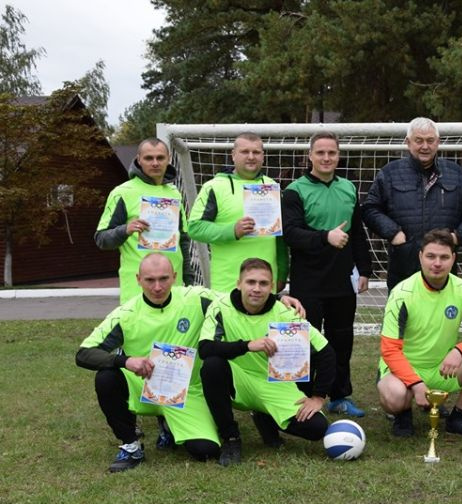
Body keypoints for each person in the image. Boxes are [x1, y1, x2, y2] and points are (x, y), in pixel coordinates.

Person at [75, 253, 219, 472]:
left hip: (186, 392)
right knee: (106, 377)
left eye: (164, 279)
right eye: (150, 280)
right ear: (138, 279)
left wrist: (272, 300)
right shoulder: (125, 314)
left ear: (175, 276)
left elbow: (236, 302)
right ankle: (131, 446)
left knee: (206, 451)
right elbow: (84, 354)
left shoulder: (196, 298)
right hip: (143, 387)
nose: (157, 287)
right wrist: (125, 361)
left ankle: (168, 426)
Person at [199, 258, 336, 466]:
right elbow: (205, 348)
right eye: (250, 282)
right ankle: (231, 437)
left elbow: (326, 352)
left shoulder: (285, 312)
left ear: (271, 287)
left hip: (274, 385)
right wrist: (247, 345)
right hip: (239, 380)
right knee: (212, 365)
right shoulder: (220, 307)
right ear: (239, 284)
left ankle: (264, 416)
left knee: (317, 428)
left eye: (263, 283)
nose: (256, 288)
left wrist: (318, 397)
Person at [377, 229, 462, 440]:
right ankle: (403, 415)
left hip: (443, 367)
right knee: (395, 396)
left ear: (453, 259)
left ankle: (459, 417)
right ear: (420, 257)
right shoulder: (402, 293)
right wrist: (415, 384)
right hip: (403, 369)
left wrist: (459, 351)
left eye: (444, 257)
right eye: (431, 256)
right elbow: (389, 350)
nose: (437, 263)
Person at [282, 131, 373, 418]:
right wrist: (325, 237)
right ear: (310, 155)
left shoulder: (348, 188)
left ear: (338, 156)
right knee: (306, 340)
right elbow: (291, 233)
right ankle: (303, 395)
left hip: (342, 279)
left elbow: (357, 233)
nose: (326, 157)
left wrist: (365, 269)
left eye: (331, 152)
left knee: (341, 340)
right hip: (308, 280)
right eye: (320, 152)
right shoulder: (294, 190)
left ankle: (339, 396)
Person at [363, 117, 462, 290]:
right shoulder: (390, 173)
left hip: (443, 271)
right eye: (419, 140)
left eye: (430, 140)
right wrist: (394, 233)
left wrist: (456, 237)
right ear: (408, 142)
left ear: (438, 142)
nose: (425, 146)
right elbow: (370, 209)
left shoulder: (456, 173)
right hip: (403, 268)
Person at [95, 138, 194, 303]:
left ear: (168, 159)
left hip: (174, 288)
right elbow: (101, 239)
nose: (155, 163)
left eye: (160, 158)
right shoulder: (123, 193)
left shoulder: (174, 193)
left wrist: (189, 280)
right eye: (149, 158)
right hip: (137, 290)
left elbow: (182, 239)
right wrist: (125, 230)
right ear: (139, 159)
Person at [188, 132, 288, 293]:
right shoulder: (214, 187)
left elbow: (280, 237)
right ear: (233, 155)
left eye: (256, 152)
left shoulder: (271, 186)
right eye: (245, 152)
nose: (251, 157)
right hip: (227, 286)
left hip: (264, 286)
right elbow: (195, 228)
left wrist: (282, 273)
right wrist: (232, 230)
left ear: (263, 156)